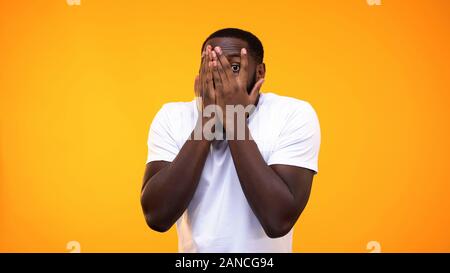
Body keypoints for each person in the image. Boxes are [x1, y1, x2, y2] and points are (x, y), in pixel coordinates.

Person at [140, 28, 321, 252]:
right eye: (211, 64)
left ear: (260, 72)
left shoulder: (293, 114)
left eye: (234, 67)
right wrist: (207, 120)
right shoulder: (172, 116)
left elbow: (277, 220)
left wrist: (234, 120)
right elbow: (157, 216)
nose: (221, 75)